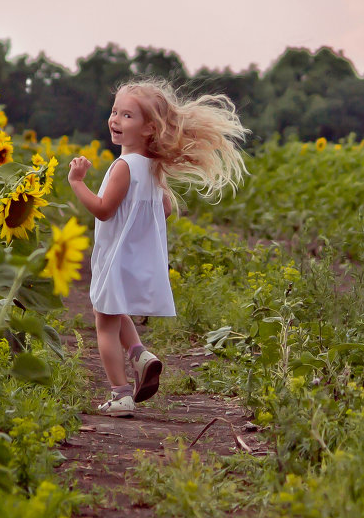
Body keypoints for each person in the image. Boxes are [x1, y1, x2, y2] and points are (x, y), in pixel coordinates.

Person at [67, 78, 248, 417]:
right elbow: (163, 209)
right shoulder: (152, 168)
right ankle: (140, 354)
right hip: (132, 257)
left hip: (114, 256)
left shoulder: (124, 166)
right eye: (114, 112)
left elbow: (104, 210)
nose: (115, 120)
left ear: (150, 128)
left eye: (127, 116)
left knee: (103, 320)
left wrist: (77, 183)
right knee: (115, 310)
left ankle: (121, 394)